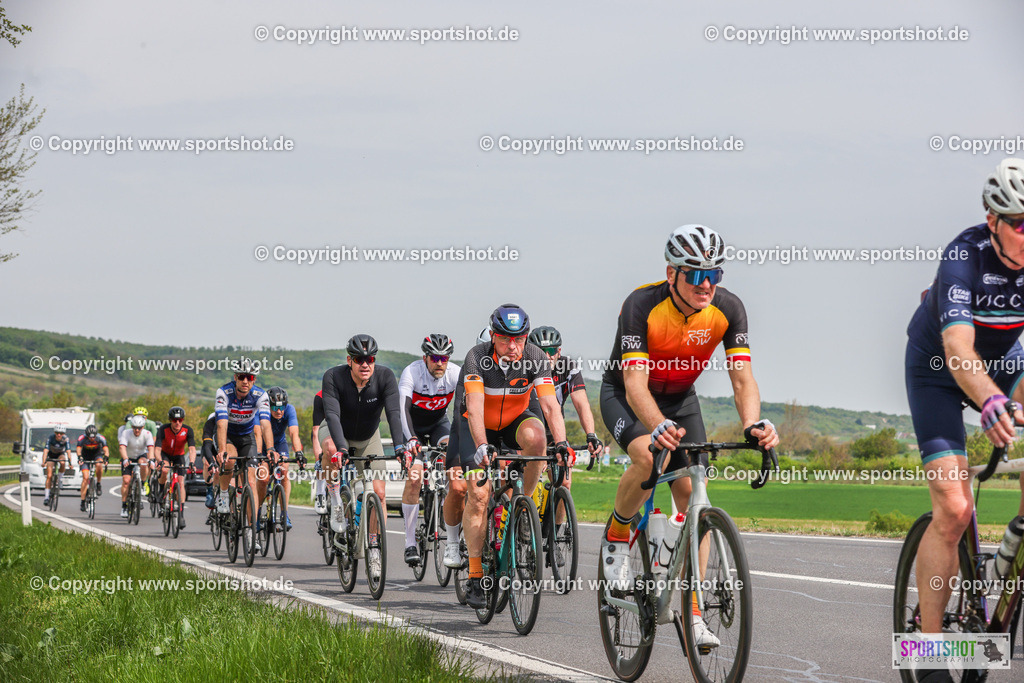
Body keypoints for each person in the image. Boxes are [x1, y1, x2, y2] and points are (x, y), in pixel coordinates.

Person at [599, 224, 778, 648]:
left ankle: (693, 611)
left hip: (682, 399)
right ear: (671, 273)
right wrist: (656, 425)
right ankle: (619, 534)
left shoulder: (728, 309)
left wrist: (753, 423)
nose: (707, 284)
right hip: (626, 395)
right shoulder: (641, 304)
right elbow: (635, 383)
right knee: (647, 457)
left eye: (715, 274)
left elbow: (742, 379)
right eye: (696, 275)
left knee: (694, 491)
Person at [905, 159, 1024, 683]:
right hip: (938, 369)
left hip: (1005, 362)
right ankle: (926, 654)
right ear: (993, 219)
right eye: (1021, 221)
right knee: (953, 509)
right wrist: (993, 401)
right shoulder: (964, 257)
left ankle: (1016, 535)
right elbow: (957, 349)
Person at [455, 304, 571, 608]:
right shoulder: (475, 358)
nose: (513, 346)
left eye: (519, 339)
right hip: (477, 426)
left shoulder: (534, 356)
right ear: (493, 336)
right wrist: (481, 445)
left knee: (538, 440)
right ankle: (476, 575)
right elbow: (476, 408)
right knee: (479, 496)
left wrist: (562, 442)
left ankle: (523, 508)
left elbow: (549, 406)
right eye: (505, 339)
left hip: (515, 420)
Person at [320, 334, 410, 582]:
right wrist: (340, 448)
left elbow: (393, 414)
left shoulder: (384, 377)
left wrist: (401, 447)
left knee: (378, 494)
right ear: (349, 360)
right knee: (328, 447)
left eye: (370, 359)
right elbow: (332, 415)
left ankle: (373, 549)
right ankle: (336, 499)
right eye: (359, 359)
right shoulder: (333, 377)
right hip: (337, 434)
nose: (365, 364)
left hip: (368, 437)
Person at [527, 325, 604, 539]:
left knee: (565, 482)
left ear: (559, 352)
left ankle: (555, 535)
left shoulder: (568, 367)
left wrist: (591, 434)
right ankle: (523, 515)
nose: (546, 356)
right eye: (541, 352)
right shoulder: (524, 367)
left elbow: (581, 403)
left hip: (555, 429)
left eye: (551, 351)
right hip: (528, 429)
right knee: (530, 475)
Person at [397, 334, 460, 566]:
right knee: (415, 477)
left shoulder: (454, 373)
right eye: (435, 358)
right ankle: (410, 542)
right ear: (425, 357)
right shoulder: (412, 372)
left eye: (444, 358)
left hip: (438, 424)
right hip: (412, 425)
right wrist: (411, 438)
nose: (440, 363)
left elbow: (464, 406)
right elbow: (402, 409)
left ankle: (444, 500)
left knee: (452, 461)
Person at [214, 358, 276, 556]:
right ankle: (224, 494)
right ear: (235, 377)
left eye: (249, 378)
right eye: (242, 377)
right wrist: (222, 450)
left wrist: (271, 448)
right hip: (229, 436)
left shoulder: (260, 395)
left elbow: (266, 424)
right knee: (230, 459)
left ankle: (252, 529)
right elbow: (221, 424)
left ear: (254, 379)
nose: (245, 381)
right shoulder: (224, 393)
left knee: (251, 479)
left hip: (247, 437)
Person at [266, 386, 305, 530]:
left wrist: (299, 453)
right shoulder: (262, 411)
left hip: (280, 443)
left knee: (284, 471)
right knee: (262, 476)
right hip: (263, 443)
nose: (279, 411)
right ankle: (256, 514)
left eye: (282, 407)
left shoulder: (290, 410)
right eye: (275, 407)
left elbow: (294, 434)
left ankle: (284, 513)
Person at [155, 406, 197, 529]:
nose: (177, 422)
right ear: (170, 420)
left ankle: (181, 514)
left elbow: (192, 449)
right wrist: (159, 461)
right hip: (165, 454)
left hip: (179, 456)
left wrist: (192, 462)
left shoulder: (188, 430)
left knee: (181, 482)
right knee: (164, 470)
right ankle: (162, 491)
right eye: (174, 420)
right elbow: (157, 449)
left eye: (180, 420)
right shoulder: (163, 429)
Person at [119, 415, 155, 517]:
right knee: (126, 481)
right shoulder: (126, 433)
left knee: (143, 463)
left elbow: (151, 448)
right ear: (132, 426)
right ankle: (124, 506)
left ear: (143, 427)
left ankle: (143, 484)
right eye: (134, 427)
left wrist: (151, 460)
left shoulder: (147, 434)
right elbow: (122, 447)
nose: (137, 430)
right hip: (128, 457)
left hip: (141, 455)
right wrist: (125, 459)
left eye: (139, 428)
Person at [77, 425, 109, 511]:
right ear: (86, 435)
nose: (92, 439)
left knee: (99, 465)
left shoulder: (100, 438)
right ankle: (83, 501)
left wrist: (106, 457)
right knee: (85, 478)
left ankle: (98, 483)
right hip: (85, 456)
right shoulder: (82, 438)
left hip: (96, 454)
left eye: (93, 437)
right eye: (90, 437)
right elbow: (78, 449)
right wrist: (79, 457)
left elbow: (106, 449)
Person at [42, 425, 70, 506]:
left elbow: (68, 451)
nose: (59, 435)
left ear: (63, 434)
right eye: (57, 433)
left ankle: (59, 479)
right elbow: (45, 451)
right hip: (51, 455)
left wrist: (70, 463)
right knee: (49, 476)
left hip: (60, 454)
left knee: (62, 462)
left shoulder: (66, 439)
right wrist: (44, 462)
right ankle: (46, 497)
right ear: (55, 433)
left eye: (61, 433)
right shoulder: (51, 438)